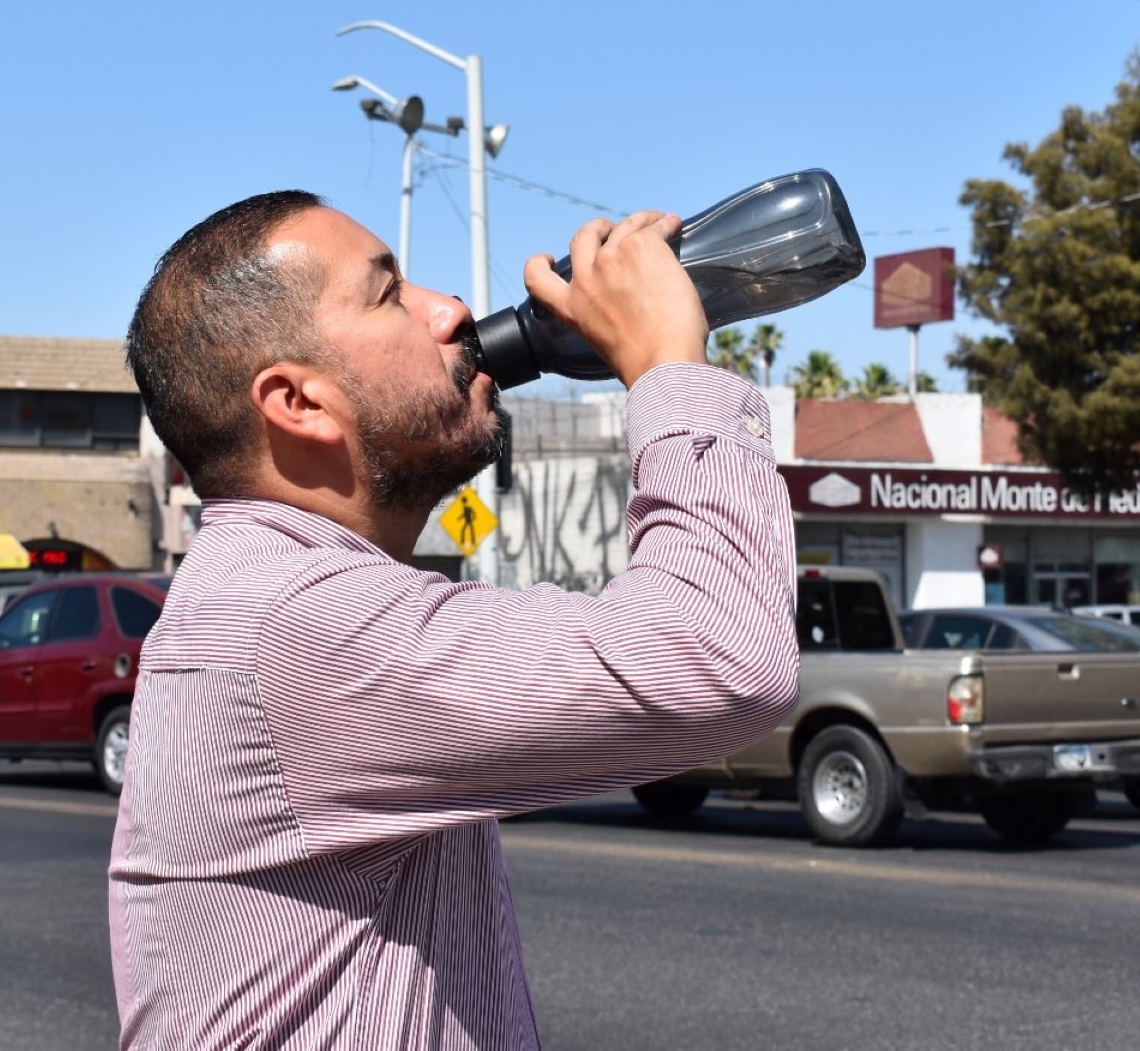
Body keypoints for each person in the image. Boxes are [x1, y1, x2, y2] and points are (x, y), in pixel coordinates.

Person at [111, 191, 799, 1050]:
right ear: (297, 402)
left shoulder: (265, 597)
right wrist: (669, 367)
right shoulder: (291, 620)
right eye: (389, 293)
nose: (452, 310)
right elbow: (722, 656)